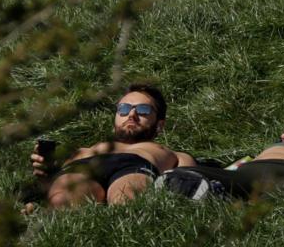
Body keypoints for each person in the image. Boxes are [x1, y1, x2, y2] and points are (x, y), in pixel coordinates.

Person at [30, 84, 196, 208]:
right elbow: (47, 180)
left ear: (159, 125)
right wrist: (45, 170)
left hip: (136, 165)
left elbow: (188, 184)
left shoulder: (173, 155)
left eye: (143, 110)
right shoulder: (81, 152)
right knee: (62, 201)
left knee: (126, 201)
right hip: (84, 166)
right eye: (123, 109)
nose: (131, 115)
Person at [159, 119, 284, 200]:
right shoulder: (267, 150)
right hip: (248, 172)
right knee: (176, 175)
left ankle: (222, 197)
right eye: (283, 133)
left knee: (272, 197)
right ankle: (213, 191)